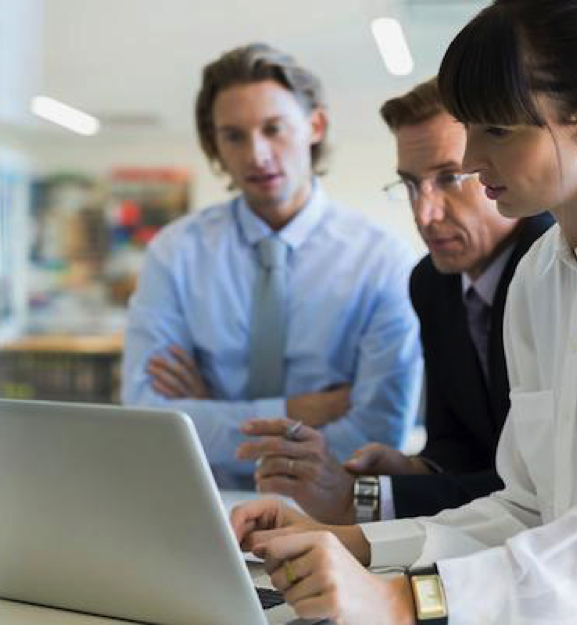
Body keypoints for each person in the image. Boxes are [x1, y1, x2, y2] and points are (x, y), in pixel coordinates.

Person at [231, 2, 577, 623]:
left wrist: (405, 599)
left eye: (497, 131)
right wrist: (349, 544)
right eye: (471, 127)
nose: (474, 160)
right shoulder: (539, 274)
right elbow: (527, 508)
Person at [236, 80, 553, 524]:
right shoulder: (432, 282)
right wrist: (412, 469)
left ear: (498, 166)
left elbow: (542, 487)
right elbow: (458, 443)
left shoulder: (555, 267)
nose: (424, 215)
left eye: (448, 179)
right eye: (410, 185)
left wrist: (370, 496)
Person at [122, 43, 422, 486]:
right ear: (215, 145)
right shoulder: (175, 253)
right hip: (199, 500)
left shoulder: (382, 260)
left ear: (314, 125)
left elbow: (376, 434)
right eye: (234, 136)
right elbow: (147, 418)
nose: (257, 155)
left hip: (331, 518)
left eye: (273, 128)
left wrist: (207, 415)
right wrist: (298, 412)